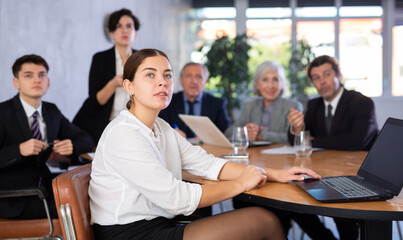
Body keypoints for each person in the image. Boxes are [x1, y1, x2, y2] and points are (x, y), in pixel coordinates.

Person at [88, 48, 321, 240]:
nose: (162, 82)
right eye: (150, 75)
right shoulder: (125, 133)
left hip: (160, 221)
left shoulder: (161, 127)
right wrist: (241, 183)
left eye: (167, 75)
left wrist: (274, 174)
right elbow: (176, 198)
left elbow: (207, 164)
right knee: (264, 222)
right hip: (132, 233)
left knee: (261, 220)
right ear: (129, 86)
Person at [287, 55, 379, 240]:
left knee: (341, 213)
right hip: (325, 173)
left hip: (358, 177)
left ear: (339, 75)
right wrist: (297, 129)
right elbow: (293, 139)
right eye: (316, 78)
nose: (322, 81)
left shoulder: (361, 103)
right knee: (292, 201)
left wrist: (311, 141)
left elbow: (357, 141)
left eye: (327, 74)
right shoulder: (314, 105)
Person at [0, 54, 95, 219]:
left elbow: (86, 139)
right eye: (28, 75)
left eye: (42, 75)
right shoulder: (3, 113)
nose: (37, 80)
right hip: (14, 198)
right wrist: (19, 150)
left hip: (45, 188)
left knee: (93, 199)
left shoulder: (51, 111)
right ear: (16, 83)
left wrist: (72, 146)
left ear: (48, 82)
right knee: (78, 209)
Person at [73, 8, 140, 143]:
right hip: (106, 123)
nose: (125, 30)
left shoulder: (143, 59)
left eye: (129, 26)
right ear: (111, 33)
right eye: (119, 26)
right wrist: (113, 84)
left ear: (135, 33)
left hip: (137, 123)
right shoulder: (100, 59)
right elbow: (95, 100)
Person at [224, 60, 302, 143]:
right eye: (265, 80)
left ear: (282, 84)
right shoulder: (249, 106)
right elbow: (228, 133)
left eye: (275, 79)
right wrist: (244, 131)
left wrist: (261, 136)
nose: (270, 85)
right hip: (254, 154)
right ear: (257, 84)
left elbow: (294, 137)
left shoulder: (292, 106)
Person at [158, 62, 230, 138]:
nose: (194, 81)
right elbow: (158, 128)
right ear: (181, 80)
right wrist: (170, 133)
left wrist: (210, 138)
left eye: (199, 77)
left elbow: (227, 133)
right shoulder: (168, 101)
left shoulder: (217, 104)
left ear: (205, 82)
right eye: (189, 76)